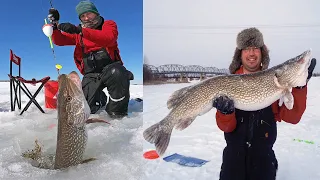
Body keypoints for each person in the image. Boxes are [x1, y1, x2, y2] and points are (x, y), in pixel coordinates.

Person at [212, 27, 316, 180]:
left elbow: (292, 117)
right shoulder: (229, 82)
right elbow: (226, 127)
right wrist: (225, 113)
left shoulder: (276, 84)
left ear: (262, 53)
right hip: (233, 163)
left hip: (264, 162)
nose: (252, 53)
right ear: (240, 55)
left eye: (255, 49)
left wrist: (299, 87)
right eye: (246, 49)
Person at [48, 1, 134, 119]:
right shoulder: (79, 34)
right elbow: (59, 41)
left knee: (117, 72)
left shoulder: (108, 24)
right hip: (91, 74)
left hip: (110, 69)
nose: (86, 18)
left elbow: (108, 38)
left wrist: (79, 30)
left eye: (89, 14)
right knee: (87, 109)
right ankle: (101, 98)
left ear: (96, 13)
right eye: (82, 16)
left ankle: (117, 113)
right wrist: (55, 26)